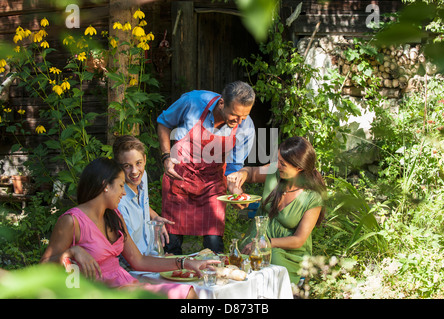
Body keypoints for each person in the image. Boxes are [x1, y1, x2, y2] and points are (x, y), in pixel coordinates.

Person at [40, 158, 219, 299]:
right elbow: (43, 267)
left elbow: (139, 261)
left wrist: (185, 262)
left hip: (126, 286)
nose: (124, 192)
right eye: (120, 185)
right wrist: (71, 252)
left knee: (188, 293)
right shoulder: (72, 221)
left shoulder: (114, 216)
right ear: (105, 185)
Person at [157, 81, 256, 255]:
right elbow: (163, 122)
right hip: (179, 179)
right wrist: (166, 157)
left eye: (244, 116)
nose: (239, 121)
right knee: (171, 244)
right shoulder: (192, 102)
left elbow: (234, 169)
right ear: (222, 103)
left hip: (212, 184)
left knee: (214, 245)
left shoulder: (245, 127)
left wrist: (235, 191)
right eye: (234, 115)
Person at [227, 136, 326, 284]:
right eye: (277, 159)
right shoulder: (275, 172)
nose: (277, 165)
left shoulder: (313, 198)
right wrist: (241, 176)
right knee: (234, 264)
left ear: (299, 167)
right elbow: (251, 172)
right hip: (254, 244)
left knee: (270, 262)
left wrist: (265, 243)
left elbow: (298, 240)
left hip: (287, 254)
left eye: (282, 163)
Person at [113, 135, 173, 260]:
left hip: (149, 254)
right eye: (127, 166)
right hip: (133, 265)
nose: (135, 171)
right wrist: (163, 263)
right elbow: (131, 258)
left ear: (145, 160)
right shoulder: (119, 203)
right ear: (118, 167)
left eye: (138, 163)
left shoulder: (141, 176)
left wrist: (154, 215)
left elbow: (140, 204)